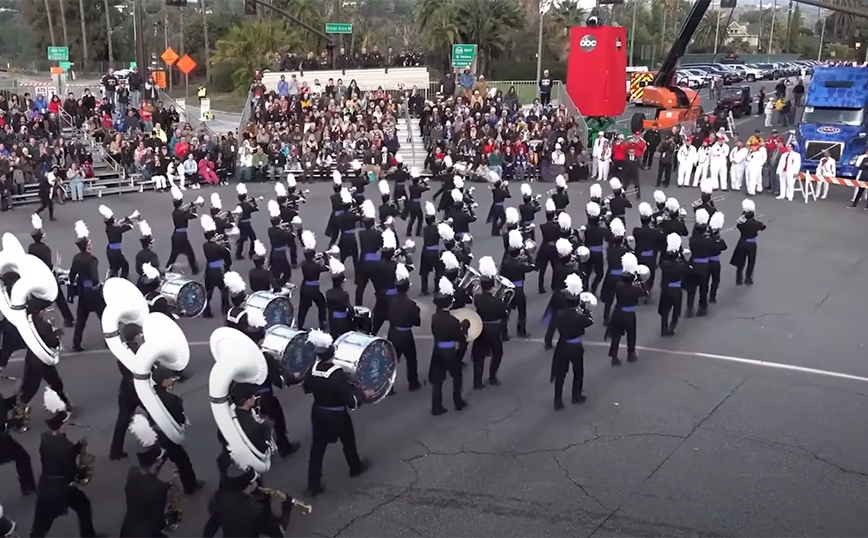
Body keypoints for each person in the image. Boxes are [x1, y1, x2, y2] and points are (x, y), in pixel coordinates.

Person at [302, 330, 370, 496]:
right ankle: (355, 468)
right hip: (337, 415)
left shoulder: (312, 369)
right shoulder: (337, 374)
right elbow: (351, 402)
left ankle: (313, 484)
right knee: (348, 442)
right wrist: (361, 395)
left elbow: (306, 388)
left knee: (317, 449)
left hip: (318, 413)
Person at [30, 388, 98, 538]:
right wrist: (80, 460)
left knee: (42, 519)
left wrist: (75, 449)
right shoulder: (65, 446)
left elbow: (57, 455)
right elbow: (71, 472)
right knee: (83, 506)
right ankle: (89, 535)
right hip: (61, 489)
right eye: (65, 422)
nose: (67, 424)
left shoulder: (45, 437)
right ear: (61, 425)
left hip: (45, 484)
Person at [203, 461, 296, 537]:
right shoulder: (258, 510)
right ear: (248, 486)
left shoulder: (220, 497)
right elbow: (279, 533)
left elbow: (210, 527)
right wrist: (286, 509)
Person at [151, 365, 204, 495]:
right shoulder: (172, 399)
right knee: (183, 462)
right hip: (169, 436)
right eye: (169, 379)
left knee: (162, 461)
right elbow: (179, 418)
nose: (172, 381)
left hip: (156, 433)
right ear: (164, 381)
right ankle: (190, 487)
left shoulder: (151, 394)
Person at [120, 416, 173, 538]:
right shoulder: (159, 488)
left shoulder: (132, 473)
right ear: (156, 462)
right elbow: (158, 521)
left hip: (128, 527)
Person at [551, 274, 594, 410]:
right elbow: (589, 321)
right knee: (578, 372)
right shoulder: (580, 317)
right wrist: (585, 310)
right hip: (575, 346)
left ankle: (557, 400)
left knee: (561, 374)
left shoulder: (559, 313)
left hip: (562, 345)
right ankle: (576, 396)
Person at [429, 277, 469, 416]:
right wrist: (464, 327)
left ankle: (436, 406)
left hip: (438, 350)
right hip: (450, 352)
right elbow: (460, 337)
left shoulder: (435, 317)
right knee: (457, 377)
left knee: (437, 380)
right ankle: (458, 402)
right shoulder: (453, 320)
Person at [28, 214, 75, 327]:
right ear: (42, 238)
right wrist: (62, 271)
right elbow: (49, 266)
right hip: (48, 278)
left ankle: (36, 316)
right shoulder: (45, 249)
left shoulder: (31, 247)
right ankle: (68, 319)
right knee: (60, 298)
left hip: (36, 277)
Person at [471, 257, 508, 389]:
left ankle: (477, 381)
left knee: (478, 356)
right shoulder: (497, 301)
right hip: (494, 329)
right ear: (492, 285)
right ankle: (492, 377)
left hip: (481, 328)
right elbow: (503, 314)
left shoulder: (477, 298)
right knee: (497, 353)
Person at [69, 221, 106, 353]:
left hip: (83, 292)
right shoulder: (92, 259)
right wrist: (99, 286)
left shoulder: (76, 258)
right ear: (86, 246)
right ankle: (109, 340)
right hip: (93, 293)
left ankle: (76, 343)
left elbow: (72, 275)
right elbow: (95, 278)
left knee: (81, 320)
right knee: (103, 316)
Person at [109, 324, 143, 461]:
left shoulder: (122, 351)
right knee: (155, 415)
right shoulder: (140, 351)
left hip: (125, 388)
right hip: (140, 388)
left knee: (123, 419)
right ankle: (162, 444)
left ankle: (115, 451)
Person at [606, 253, 647, 366]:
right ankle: (631, 354)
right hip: (629, 314)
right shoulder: (635, 290)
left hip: (618, 312)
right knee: (631, 335)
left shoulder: (619, 285)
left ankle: (614, 356)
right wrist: (640, 280)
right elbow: (645, 292)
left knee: (616, 335)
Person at [386, 263, 421, 391]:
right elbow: (416, 322)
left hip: (393, 332)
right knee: (411, 359)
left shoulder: (391, 301)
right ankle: (413, 383)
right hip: (406, 335)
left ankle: (388, 386)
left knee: (391, 361)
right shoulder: (411, 304)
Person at [499, 230, 536, 338]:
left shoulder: (505, 261)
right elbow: (532, 266)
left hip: (508, 288)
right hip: (518, 289)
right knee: (522, 311)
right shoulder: (519, 265)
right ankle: (521, 330)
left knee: (507, 311)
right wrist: (529, 254)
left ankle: (504, 333)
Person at [0, 390, 36, 495]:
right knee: (22, 457)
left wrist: (15, 399)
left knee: (23, 457)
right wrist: (14, 422)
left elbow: (3, 406)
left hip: (3, 440)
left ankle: (27, 486)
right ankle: (28, 486)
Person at [658, 233, 691, 337]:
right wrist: (682, 257)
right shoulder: (681, 266)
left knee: (664, 311)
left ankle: (664, 329)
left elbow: (661, 261)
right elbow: (688, 269)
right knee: (676, 311)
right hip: (676, 290)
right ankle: (672, 328)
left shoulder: (664, 265)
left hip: (666, 289)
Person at [200, 215, 232, 318]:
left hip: (209, 270)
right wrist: (225, 245)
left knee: (209, 292)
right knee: (224, 290)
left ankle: (206, 310)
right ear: (213, 236)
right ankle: (226, 307)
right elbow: (226, 254)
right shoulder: (218, 247)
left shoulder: (205, 245)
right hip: (218, 271)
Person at [600, 218, 630, 325]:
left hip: (611, 275)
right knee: (621, 298)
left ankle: (606, 317)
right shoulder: (625, 250)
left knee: (609, 299)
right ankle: (618, 317)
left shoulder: (610, 250)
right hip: (621, 276)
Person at [685, 209, 714, 317]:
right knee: (703, 288)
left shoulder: (692, 239)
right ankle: (703, 307)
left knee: (691, 288)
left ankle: (689, 308)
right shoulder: (709, 241)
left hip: (693, 263)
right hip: (704, 266)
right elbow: (713, 247)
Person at [296, 231, 328, 329]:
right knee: (322, 305)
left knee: (303, 308)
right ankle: (322, 324)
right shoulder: (316, 266)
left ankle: (299, 326)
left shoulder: (304, 264)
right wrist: (325, 257)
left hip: (305, 287)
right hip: (314, 289)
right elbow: (327, 267)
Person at [730, 199, 766, 286]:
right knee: (751, 262)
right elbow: (763, 227)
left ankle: (739, 279)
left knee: (740, 261)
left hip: (742, 242)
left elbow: (738, 226)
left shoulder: (741, 223)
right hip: (751, 244)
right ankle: (748, 278)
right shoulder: (756, 224)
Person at [165, 187, 200, 274]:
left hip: (176, 235)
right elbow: (193, 216)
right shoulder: (181, 213)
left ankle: (167, 269)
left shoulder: (175, 212)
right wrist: (194, 206)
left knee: (174, 254)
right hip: (181, 236)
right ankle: (194, 269)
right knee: (189, 252)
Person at [633, 203, 664, 299]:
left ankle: (638, 289)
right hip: (650, 257)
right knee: (651, 275)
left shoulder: (636, 230)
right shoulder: (654, 232)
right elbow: (660, 240)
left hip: (639, 256)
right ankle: (647, 290)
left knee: (638, 274)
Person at [371, 230, 399, 334]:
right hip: (394, 296)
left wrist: (378, 290)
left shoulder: (377, 265)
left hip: (381, 295)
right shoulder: (396, 266)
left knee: (378, 319)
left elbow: (374, 279)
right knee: (394, 319)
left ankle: (373, 333)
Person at [355, 200, 381, 305]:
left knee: (360, 287)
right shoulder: (378, 233)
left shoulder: (361, 233)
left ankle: (358, 304)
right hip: (375, 261)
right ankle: (380, 304)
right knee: (378, 286)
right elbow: (380, 244)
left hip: (364, 261)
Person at [99, 204, 133, 278]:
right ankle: (123, 278)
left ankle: (111, 278)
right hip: (115, 252)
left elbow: (118, 228)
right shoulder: (114, 229)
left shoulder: (109, 228)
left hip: (110, 250)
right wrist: (129, 225)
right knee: (125, 265)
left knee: (114, 267)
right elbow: (123, 229)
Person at [266, 201, 293, 289]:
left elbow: (277, 230)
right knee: (287, 270)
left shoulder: (270, 230)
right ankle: (280, 284)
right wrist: (288, 229)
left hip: (273, 252)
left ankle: (277, 283)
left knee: (276, 269)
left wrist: (281, 227)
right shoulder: (281, 232)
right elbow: (291, 236)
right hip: (281, 253)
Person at [535, 199, 559, 294]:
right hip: (554, 248)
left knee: (542, 269)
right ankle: (554, 285)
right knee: (555, 267)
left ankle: (540, 287)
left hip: (544, 248)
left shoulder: (542, 226)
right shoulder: (557, 226)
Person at [325, 258, 354, 339]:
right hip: (342, 321)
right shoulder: (344, 294)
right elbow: (350, 309)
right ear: (341, 283)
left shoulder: (328, 292)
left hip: (332, 319)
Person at [584, 200, 608, 294]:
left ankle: (585, 288)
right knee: (599, 273)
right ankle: (594, 287)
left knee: (586, 273)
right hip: (598, 254)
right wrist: (606, 222)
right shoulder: (602, 230)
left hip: (587, 252)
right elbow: (609, 237)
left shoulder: (586, 229)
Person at [418, 202, 440, 295]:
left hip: (426, 251)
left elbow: (422, 234)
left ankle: (424, 289)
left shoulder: (424, 229)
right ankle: (437, 287)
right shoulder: (438, 228)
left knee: (424, 272)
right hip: (435, 252)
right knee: (439, 270)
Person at [234, 184, 260, 259]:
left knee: (243, 237)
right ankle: (251, 252)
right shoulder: (247, 205)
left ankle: (238, 253)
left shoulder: (239, 205)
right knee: (253, 238)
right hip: (246, 223)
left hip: (240, 222)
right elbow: (256, 208)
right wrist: (254, 202)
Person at [405, 168, 428, 237]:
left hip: (411, 203)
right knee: (420, 218)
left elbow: (416, 186)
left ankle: (408, 232)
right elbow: (427, 187)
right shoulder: (419, 187)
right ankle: (418, 232)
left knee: (412, 219)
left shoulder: (410, 186)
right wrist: (423, 181)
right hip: (417, 204)